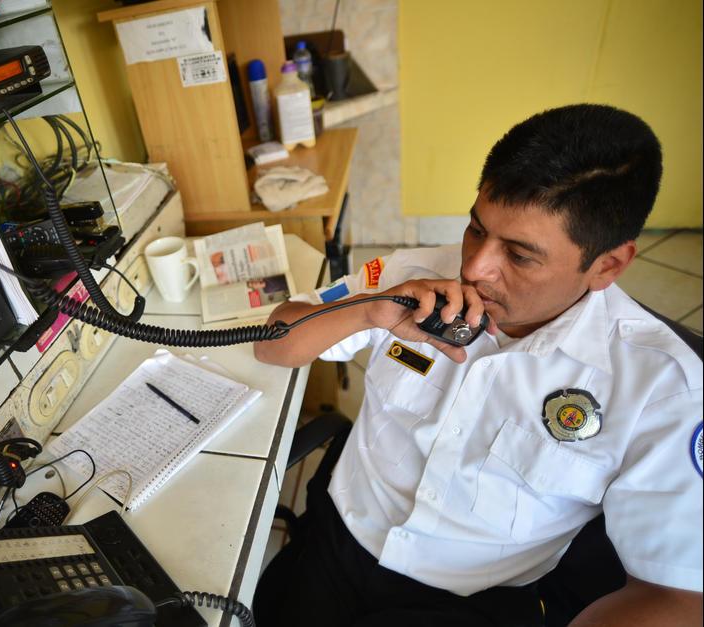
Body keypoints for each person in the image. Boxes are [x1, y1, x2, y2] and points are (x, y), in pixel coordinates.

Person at [252, 104, 703, 626]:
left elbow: (678, 595)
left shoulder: (665, 389)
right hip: (338, 540)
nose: (474, 267)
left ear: (608, 265)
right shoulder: (406, 272)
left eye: (519, 254)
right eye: (475, 228)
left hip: (467, 601)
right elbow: (272, 343)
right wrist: (368, 311)